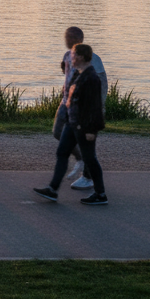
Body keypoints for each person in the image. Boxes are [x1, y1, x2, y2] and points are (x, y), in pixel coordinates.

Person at [35, 44, 108, 206]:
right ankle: (52, 190)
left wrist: (91, 130)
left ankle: (100, 194)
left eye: (73, 55)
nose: (70, 58)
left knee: (90, 159)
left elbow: (95, 107)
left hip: (84, 127)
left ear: (81, 57)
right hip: (72, 123)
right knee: (62, 152)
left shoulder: (92, 78)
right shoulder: (78, 74)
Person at [56, 27, 108, 190]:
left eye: (71, 36)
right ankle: (80, 161)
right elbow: (69, 77)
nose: (67, 39)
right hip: (68, 106)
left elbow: (101, 84)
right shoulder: (68, 56)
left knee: (87, 148)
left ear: (80, 38)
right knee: (59, 133)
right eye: (66, 36)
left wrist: (97, 108)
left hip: (85, 111)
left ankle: (90, 180)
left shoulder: (94, 61)